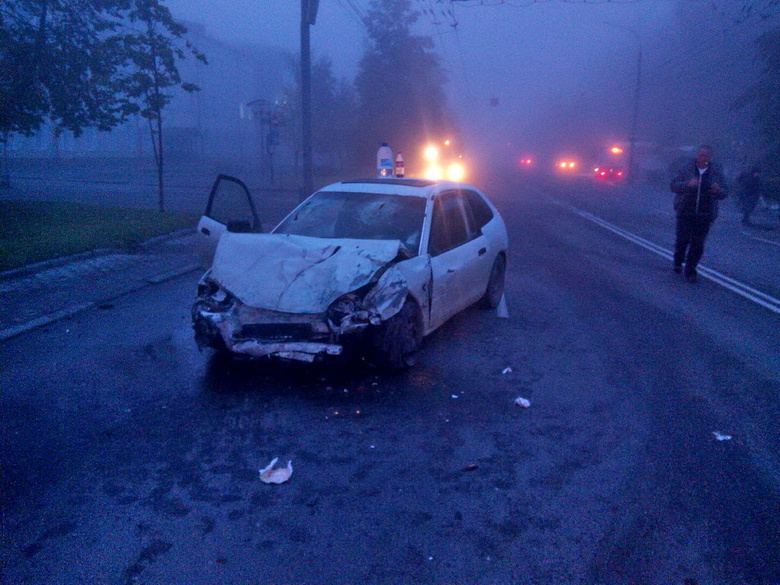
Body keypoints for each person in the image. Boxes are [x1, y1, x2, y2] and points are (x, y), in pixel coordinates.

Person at [670, 145, 728, 283]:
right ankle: (678, 260)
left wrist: (718, 191)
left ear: (710, 157)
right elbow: (673, 185)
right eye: (701, 155)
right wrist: (688, 185)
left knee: (698, 244)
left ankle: (691, 271)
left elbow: (725, 192)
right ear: (697, 155)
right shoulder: (686, 168)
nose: (703, 158)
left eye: (706, 156)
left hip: (705, 214)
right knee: (682, 240)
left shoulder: (716, 172)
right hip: (685, 211)